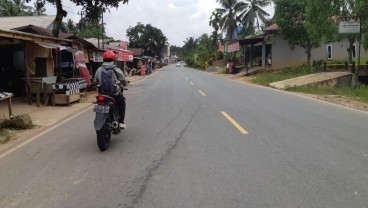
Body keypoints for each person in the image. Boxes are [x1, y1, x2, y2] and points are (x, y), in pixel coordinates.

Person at [93, 50, 127, 129]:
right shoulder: (116, 69)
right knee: (122, 102)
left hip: (102, 93)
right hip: (113, 94)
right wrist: (124, 84)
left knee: (98, 102)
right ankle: (121, 122)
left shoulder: (99, 69)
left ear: (104, 59)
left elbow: (95, 81)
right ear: (113, 59)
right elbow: (123, 79)